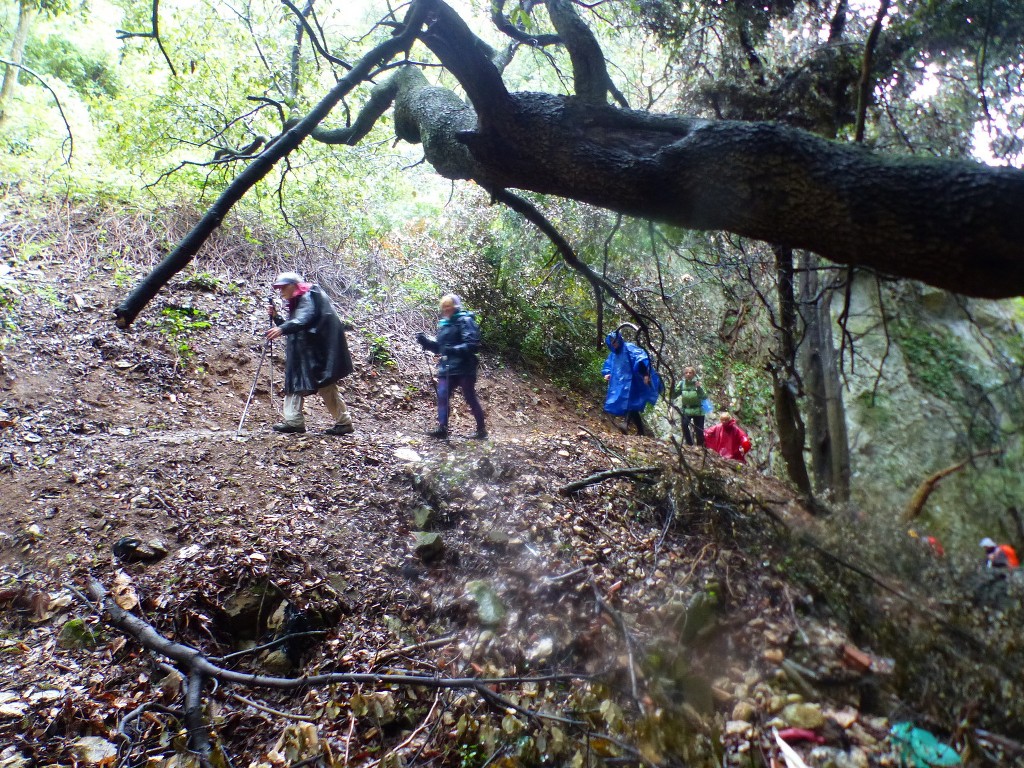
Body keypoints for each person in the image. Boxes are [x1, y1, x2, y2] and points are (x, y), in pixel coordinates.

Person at [265, 272, 355, 435]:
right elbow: (296, 325)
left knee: (324, 386)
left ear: (294, 285)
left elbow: (304, 319)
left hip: (314, 354)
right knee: (296, 383)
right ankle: (295, 421)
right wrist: (277, 318)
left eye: (283, 287)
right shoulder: (300, 299)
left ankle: (342, 422)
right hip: (306, 354)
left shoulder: (308, 295)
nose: (281, 292)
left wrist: (281, 328)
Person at [415, 294, 487, 440]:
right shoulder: (444, 324)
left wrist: (453, 350)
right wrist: (426, 343)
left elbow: (472, 345)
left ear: (456, 306)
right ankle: (442, 428)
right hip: (447, 367)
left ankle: (481, 430)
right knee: (442, 395)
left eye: (449, 306)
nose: (447, 309)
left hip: (465, 367)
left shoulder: (466, 320)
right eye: (444, 306)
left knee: (469, 397)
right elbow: (440, 348)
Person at [601, 330, 661, 436]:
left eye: (614, 341)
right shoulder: (613, 355)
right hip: (622, 383)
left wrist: (646, 374)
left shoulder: (629, 348)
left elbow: (640, 359)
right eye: (611, 342)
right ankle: (640, 431)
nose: (613, 344)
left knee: (630, 403)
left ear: (619, 340)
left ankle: (625, 423)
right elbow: (608, 365)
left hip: (634, 381)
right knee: (632, 406)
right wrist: (607, 373)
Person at [671, 366, 705, 446]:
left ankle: (700, 447)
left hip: (698, 410)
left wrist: (699, 388)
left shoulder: (698, 383)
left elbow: (704, 396)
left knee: (699, 431)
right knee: (684, 425)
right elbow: (674, 395)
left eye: (690, 373)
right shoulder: (682, 383)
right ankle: (689, 444)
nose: (688, 374)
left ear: (694, 374)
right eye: (686, 373)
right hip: (687, 409)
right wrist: (672, 389)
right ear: (684, 374)